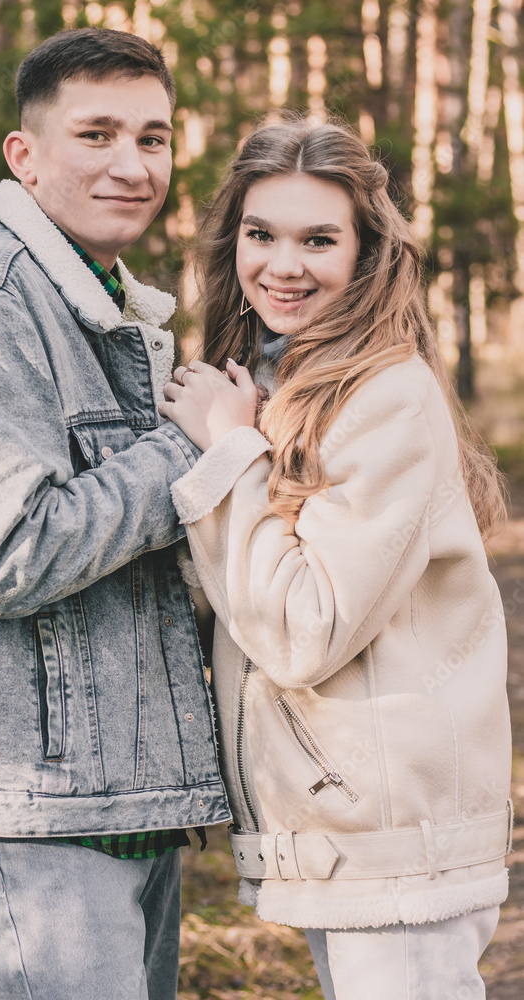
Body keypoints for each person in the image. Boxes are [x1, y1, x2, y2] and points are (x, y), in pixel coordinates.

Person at [0, 28, 232, 1000]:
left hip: (117, 794)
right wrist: (194, 450)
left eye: (152, 138)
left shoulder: (102, 310)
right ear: (24, 156)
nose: (132, 164)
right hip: (32, 806)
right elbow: (8, 554)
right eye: (96, 133)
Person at [159, 118, 513, 1000]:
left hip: (392, 840)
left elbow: (300, 629)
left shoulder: (382, 394)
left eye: (319, 239)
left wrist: (227, 454)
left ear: (365, 254)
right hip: (346, 830)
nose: (284, 266)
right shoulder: (282, 379)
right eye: (261, 235)